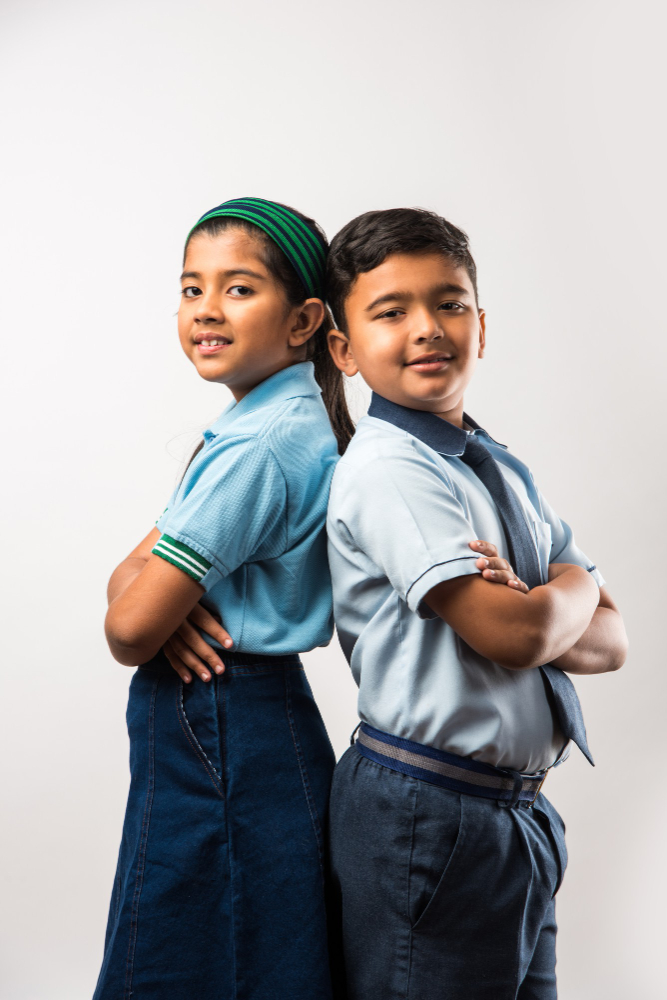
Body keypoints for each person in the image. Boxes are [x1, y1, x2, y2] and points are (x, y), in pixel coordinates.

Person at [324, 208, 628, 1000]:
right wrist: (572, 587)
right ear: (343, 349)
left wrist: (549, 601)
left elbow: (612, 642)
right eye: (390, 312)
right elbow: (515, 636)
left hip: (514, 816)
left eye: (449, 303)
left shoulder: (495, 467)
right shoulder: (390, 470)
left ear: (481, 328)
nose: (427, 327)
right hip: (430, 814)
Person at [94, 197, 353, 1000]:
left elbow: (128, 625)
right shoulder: (268, 426)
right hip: (243, 720)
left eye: (238, 288)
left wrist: (158, 612)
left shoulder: (257, 449)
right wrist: (156, 608)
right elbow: (129, 582)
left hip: (222, 719)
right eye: (190, 288)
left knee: (192, 956)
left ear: (304, 320)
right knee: (254, 950)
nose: (206, 308)